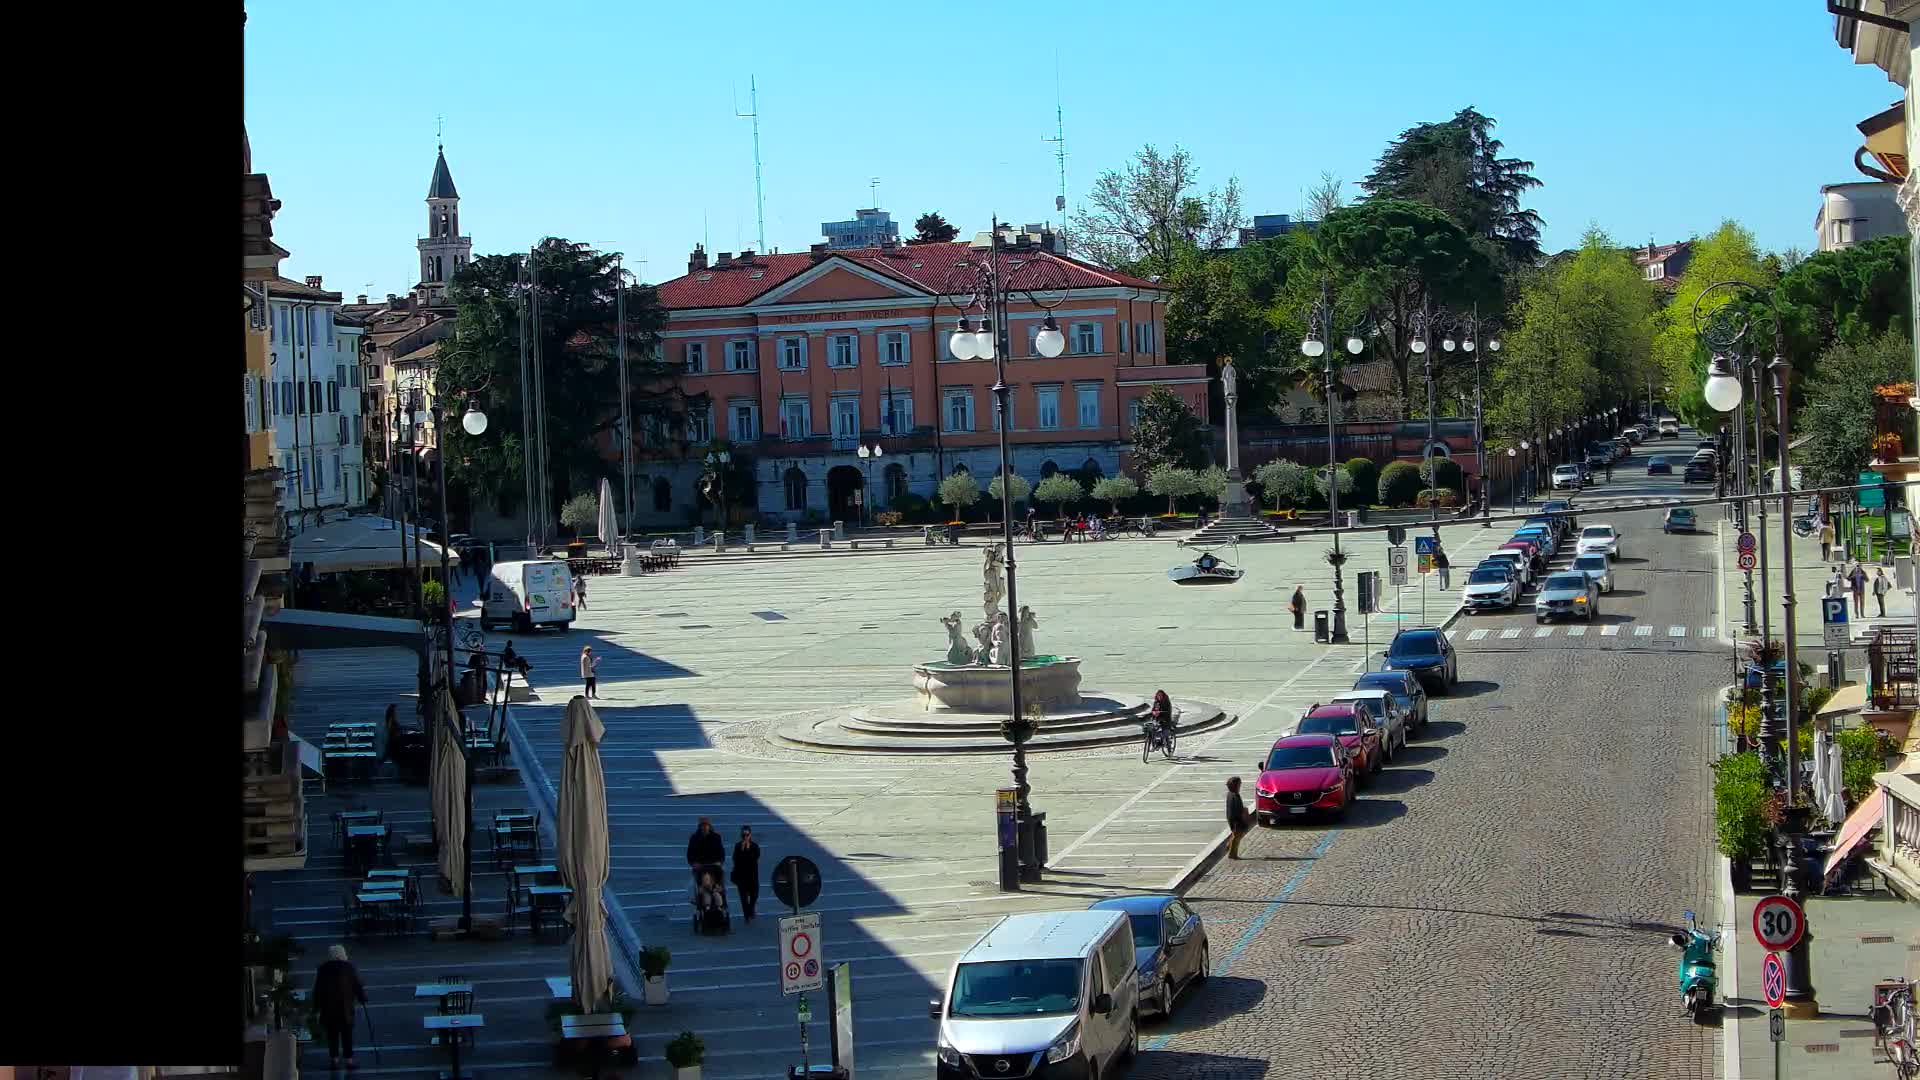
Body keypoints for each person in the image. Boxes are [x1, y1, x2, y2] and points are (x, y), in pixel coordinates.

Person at [311, 944, 367, 1070]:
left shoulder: (323, 969)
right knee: (347, 1035)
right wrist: (363, 998)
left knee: (332, 1036)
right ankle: (349, 1060)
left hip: (328, 1009)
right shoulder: (349, 967)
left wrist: (316, 1007)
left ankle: (334, 1060)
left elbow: (318, 989)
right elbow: (357, 984)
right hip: (345, 1008)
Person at [731, 825, 761, 921]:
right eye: (743, 835)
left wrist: (747, 849)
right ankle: (747, 916)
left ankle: (751, 908)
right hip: (741, 876)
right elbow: (735, 859)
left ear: (750, 835)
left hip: (752, 875)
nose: (745, 837)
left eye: (747, 835)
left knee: (754, 895)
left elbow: (755, 857)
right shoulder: (738, 846)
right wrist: (742, 849)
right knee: (743, 897)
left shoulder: (755, 846)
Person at [686, 817, 725, 887]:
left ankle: (720, 891)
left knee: (720, 879)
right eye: (702, 825)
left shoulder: (716, 837)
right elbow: (689, 854)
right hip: (700, 865)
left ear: (709, 826)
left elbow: (721, 852)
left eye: (706, 825)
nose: (704, 827)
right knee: (696, 885)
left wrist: (720, 862)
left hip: (713, 865)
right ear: (699, 827)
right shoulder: (694, 838)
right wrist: (693, 863)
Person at [692, 868, 729, 934]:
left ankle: (719, 907)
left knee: (717, 896)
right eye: (705, 879)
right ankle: (707, 907)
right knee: (707, 897)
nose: (707, 881)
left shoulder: (716, 884)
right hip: (706, 894)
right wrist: (702, 890)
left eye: (708, 879)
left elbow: (720, 889)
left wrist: (716, 889)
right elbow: (700, 891)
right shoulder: (702, 887)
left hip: (714, 893)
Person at [1225, 777, 1252, 860]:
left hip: (1232, 818)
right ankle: (1232, 854)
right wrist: (1242, 817)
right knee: (1236, 837)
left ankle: (1228, 848)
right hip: (1236, 819)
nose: (1240, 785)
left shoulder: (1231, 794)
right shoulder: (1234, 795)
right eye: (1239, 784)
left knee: (1235, 835)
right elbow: (1236, 809)